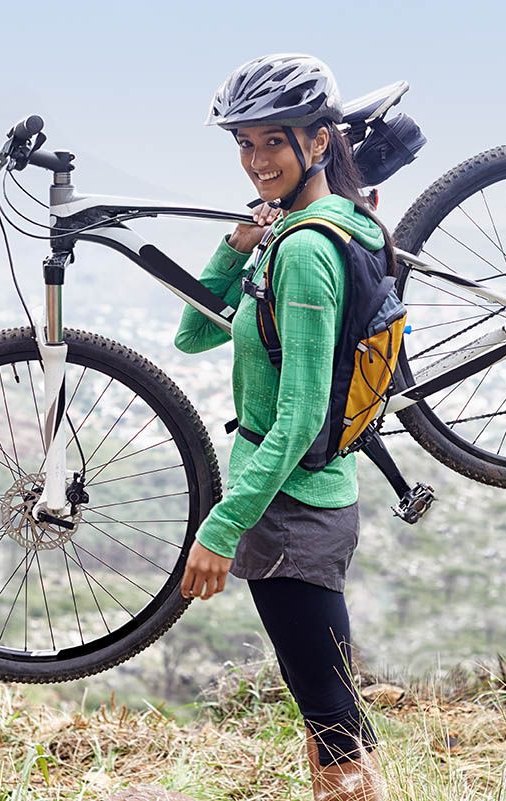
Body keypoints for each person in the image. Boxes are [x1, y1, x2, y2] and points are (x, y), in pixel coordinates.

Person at [175, 53, 392, 801]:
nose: (256, 161)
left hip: (294, 512)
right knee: (327, 711)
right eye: (245, 143)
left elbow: (298, 420)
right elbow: (193, 335)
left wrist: (221, 527)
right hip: (304, 506)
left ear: (320, 143)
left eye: (274, 141)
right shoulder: (306, 231)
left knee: (334, 729)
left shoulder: (304, 250)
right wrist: (233, 248)